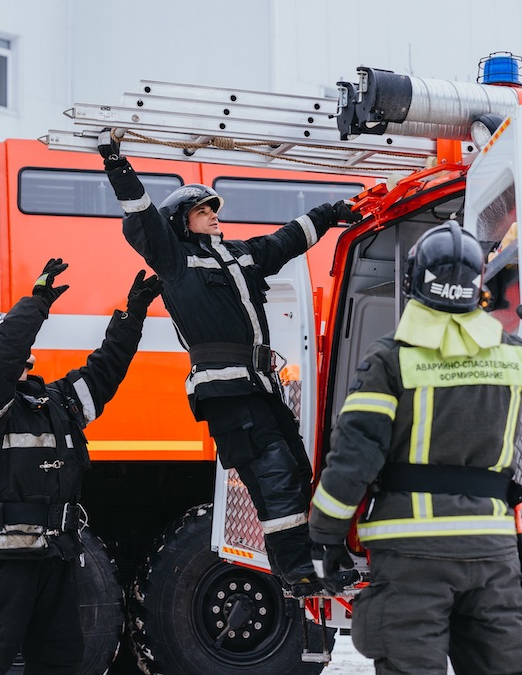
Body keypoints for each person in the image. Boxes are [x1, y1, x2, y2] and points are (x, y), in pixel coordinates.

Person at [307, 221, 522, 675]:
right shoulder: (512, 355)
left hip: (409, 556)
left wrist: (326, 535)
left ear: (415, 281)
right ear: (478, 288)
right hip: (491, 553)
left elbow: (354, 458)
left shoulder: (390, 359)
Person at [97, 129, 360, 592]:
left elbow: (287, 240)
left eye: (214, 210)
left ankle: (312, 567)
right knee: (275, 472)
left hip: (260, 388)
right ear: (182, 222)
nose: (214, 216)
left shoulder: (241, 256)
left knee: (296, 471)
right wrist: (117, 164)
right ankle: (298, 572)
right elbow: (140, 220)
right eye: (203, 211)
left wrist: (331, 213)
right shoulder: (174, 260)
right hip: (227, 393)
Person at [0, 259, 162, 674]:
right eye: (4, 343)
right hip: (9, 559)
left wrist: (131, 316)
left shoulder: (57, 401)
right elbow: (1, 357)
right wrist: (37, 303)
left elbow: (105, 370)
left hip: (57, 555)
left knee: (61, 660)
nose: (20, 352)